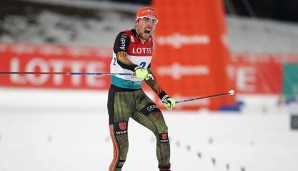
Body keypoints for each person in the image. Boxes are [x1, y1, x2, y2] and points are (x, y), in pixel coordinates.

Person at [107, 6, 175, 171]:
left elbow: (148, 71)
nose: (149, 24)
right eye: (145, 20)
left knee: (162, 131)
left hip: (138, 95)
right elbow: (121, 56)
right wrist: (135, 68)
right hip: (119, 98)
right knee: (122, 152)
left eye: (153, 21)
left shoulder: (150, 41)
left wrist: (163, 95)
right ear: (137, 22)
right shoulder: (125, 36)